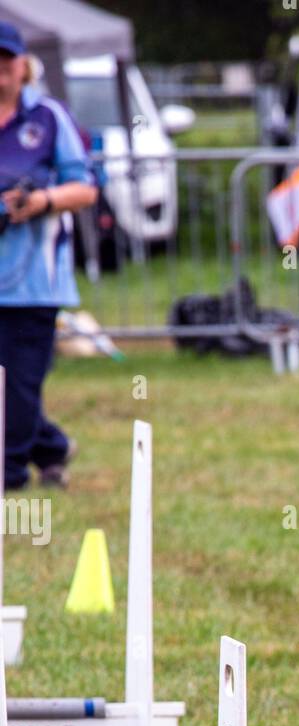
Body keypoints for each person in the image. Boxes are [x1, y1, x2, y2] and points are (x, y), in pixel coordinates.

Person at [0, 24, 96, 490]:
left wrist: (42, 201)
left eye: (6, 61)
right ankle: (51, 447)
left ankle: (9, 475)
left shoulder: (49, 118)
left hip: (33, 280)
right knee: (10, 390)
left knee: (18, 384)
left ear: (22, 66)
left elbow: (85, 188)